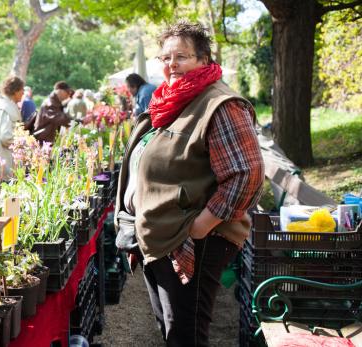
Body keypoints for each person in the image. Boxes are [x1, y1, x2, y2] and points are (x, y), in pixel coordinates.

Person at [114, 21, 264, 346]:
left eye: (181, 56)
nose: (171, 65)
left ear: (204, 59)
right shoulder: (173, 100)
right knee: (170, 330)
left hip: (193, 240)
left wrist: (200, 226)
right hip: (162, 236)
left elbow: (247, 173)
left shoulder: (219, 104)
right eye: (165, 58)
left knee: (185, 336)